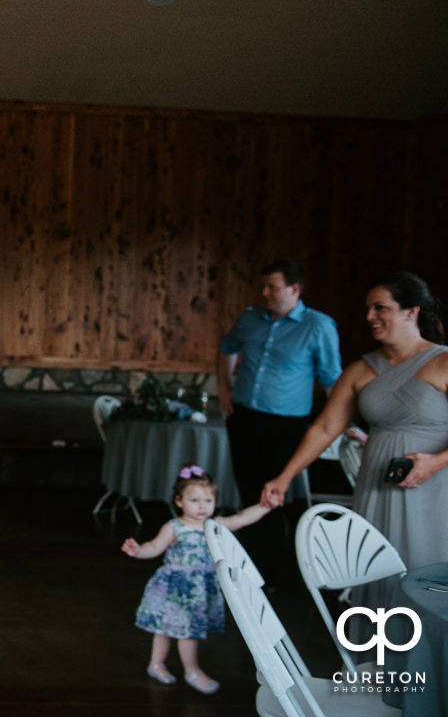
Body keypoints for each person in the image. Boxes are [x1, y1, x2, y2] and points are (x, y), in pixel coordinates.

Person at [262, 271, 448, 611]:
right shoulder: (361, 370)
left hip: (435, 489)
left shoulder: (443, 361)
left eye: (380, 308)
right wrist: (284, 477)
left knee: (426, 570)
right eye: (368, 308)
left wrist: (435, 463)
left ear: (411, 311)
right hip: (375, 489)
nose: (369, 317)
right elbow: (323, 429)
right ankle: (379, 660)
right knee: (374, 572)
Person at [216, 260, 341, 579]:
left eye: (272, 287)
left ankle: (266, 573)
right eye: (265, 287)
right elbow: (226, 348)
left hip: (286, 425)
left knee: (270, 494)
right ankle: (242, 567)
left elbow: (332, 379)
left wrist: (346, 423)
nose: (265, 293)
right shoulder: (249, 319)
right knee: (246, 490)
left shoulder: (318, 325)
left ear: (294, 289)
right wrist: (223, 387)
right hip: (243, 417)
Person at [122, 464, 272, 695]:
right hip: (175, 589)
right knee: (175, 630)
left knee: (178, 629)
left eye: (208, 501)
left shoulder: (215, 526)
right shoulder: (174, 527)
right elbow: (154, 547)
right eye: (195, 501)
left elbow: (242, 518)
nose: (202, 506)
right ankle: (187, 670)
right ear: (179, 501)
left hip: (200, 588)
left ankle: (159, 665)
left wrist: (264, 507)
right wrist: (139, 551)